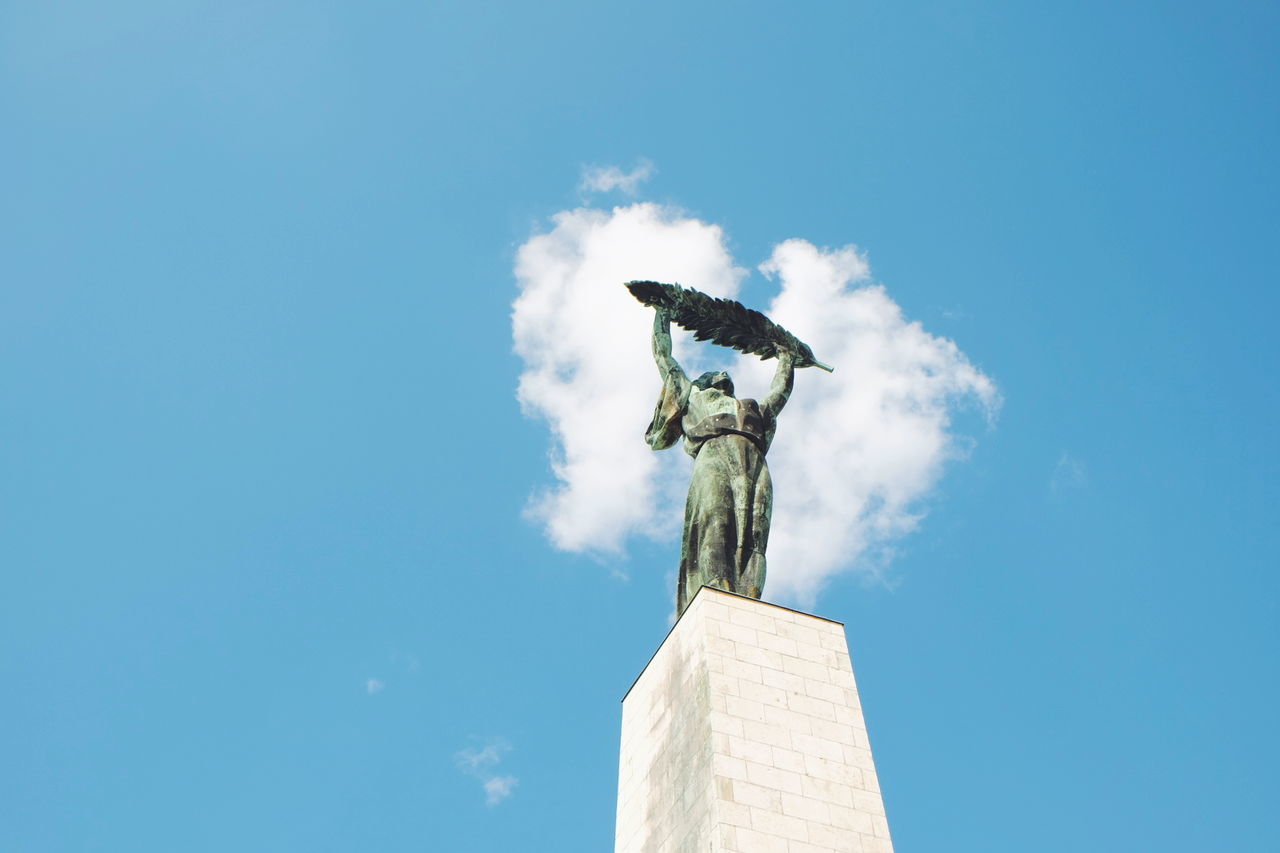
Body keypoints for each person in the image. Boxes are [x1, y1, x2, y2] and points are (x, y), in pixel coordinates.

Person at [645, 308, 795, 615]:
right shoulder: (693, 397)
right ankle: (719, 584)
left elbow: (779, 394)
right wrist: (662, 312)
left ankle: (749, 591)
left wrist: (786, 357)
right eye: (715, 372)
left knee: (753, 529)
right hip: (713, 456)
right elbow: (664, 358)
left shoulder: (753, 407)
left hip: (752, 462)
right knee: (717, 519)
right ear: (703, 381)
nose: (724, 373)